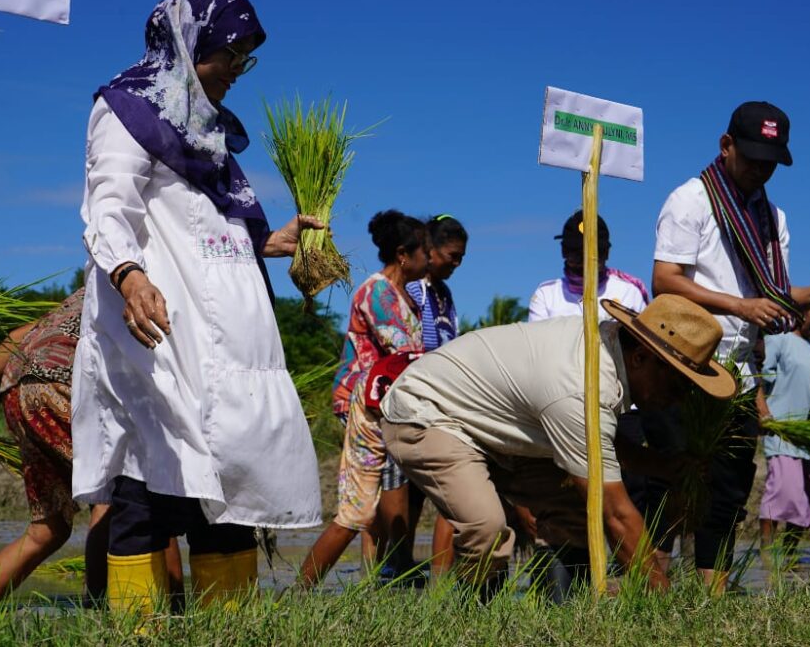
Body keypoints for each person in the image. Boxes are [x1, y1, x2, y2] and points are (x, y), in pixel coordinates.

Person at [71, 0, 323, 613]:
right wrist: (129, 276)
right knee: (148, 484)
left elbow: (210, 228)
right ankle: (137, 631)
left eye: (245, 58)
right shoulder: (129, 109)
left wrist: (274, 241)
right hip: (161, 332)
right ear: (188, 46)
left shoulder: (206, 132)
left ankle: (225, 629)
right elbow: (109, 206)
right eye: (228, 54)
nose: (238, 70)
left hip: (235, 345)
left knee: (233, 488)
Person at [379, 294, 736, 597]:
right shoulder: (581, 385)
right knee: (488, 529)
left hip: (495, 429)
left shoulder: (607, 356)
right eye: (677, 383)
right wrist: (664, 602)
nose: (679, 399)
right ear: (642, 357)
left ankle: (565, 613)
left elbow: (598, 445)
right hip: (427, 413)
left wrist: (664, 466)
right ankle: (471, 620)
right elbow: (614, 510)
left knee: (576, 511)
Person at [650, 101, 810, 591]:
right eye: (752, 157)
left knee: (730, 486)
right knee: (674, 478)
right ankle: (652, 589)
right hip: (684, 361)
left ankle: (712, 595)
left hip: (738, 369)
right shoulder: (690, 200)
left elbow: (777, 297)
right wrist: (738, 306)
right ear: (726, 145)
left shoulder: (773, 218)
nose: (761, 170)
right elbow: (664, 280)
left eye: (770, 162)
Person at [0, 290, 185, 610]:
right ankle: (172, 610)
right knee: (140, 495)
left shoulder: (92, 289)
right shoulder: (148, 286)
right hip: (63, 383)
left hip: (17, 389)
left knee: (48, 529)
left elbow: (13, 340)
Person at [298, 210, 427, 588]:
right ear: (403, 254)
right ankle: (300, 591)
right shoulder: (378, 293)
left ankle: (394, 570)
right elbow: (403, 352)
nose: (429, 258)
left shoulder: (403, 295)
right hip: (365, 409)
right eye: (425, 251)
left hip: (383, 407)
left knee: (377, 499)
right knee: (358, 509)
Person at [526, 209, 651, 596]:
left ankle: (626, 578)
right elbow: (537, 353)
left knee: (626, 492)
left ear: (605, 251)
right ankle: (567, 582)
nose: (577, 258)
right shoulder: (547, 294)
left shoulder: (629, 291)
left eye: (585, 251)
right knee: (566, 496)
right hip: (565, 413)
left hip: (621, 411)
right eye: (570, 250)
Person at [405, 214, 468, 576]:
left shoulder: (444, 294)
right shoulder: (414, 289)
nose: (456, 264)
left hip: (440, 399)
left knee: (439, 492)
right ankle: (396, 566)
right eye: (451, 256)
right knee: (406, 494)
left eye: (461, 258)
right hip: (415, 397)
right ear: (430, 251)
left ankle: (436, 574)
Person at [755, 308, 810, 561]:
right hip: (783, 432)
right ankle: (767, 556)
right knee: (782, 493)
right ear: (802, 314)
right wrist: (763, 411)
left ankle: (789, 556)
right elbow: (757, 376)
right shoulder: (780, 340)